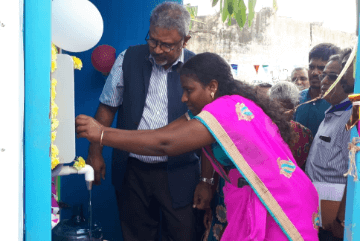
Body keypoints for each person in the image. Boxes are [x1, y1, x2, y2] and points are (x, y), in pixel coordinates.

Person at [77, 52, 320, 240]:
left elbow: (165, 144)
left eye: (189, 90)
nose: (183, 98)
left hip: (278, 203)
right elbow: (163, 135)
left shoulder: (225, 111)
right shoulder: (216, 109)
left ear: (212, 87)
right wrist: (103, 134)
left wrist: (102, 134)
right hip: (254, 198)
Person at [86, 2, 200, 240]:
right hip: (133, 171)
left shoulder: (198, 68)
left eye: (166, 45)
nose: (157, 49)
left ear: (185, 40)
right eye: (153, 40)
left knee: (183, 236)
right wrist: (94, 154)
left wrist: (208, 180)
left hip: (181, 171)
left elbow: (210, 127)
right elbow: (106, 109)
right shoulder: (127, 58)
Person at [305, 54, 352, 241]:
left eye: (332, 76)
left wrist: (342, 220)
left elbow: (355, 171)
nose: (322, 80)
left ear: (349, 81)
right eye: (324, 75)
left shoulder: (353, 117)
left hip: (335, 226)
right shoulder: (333, 112)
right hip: (320, 220)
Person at [294, 43, 341, 136]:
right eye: (311, 67)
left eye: (321, 68)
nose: (314, 72)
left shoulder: (338, 103)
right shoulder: (297, 98)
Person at [269, 81, 313, 169]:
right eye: (276, 107)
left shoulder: (304, 134)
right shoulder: (261, 129)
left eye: (286, 108)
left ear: (295, 107)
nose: (281, 113)